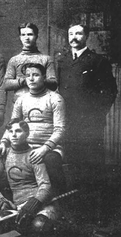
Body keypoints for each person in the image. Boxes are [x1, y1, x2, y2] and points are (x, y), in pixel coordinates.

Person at [56, 24, 117, 180]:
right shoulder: (62, 60)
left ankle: (93, 199)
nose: (74, 37)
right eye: (71, 34)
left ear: (86, 36)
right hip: (68, 119)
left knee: (91, 163)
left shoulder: (98, 60)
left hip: (90, 122)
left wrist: (97, 113)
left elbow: (110, 91)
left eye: (78, 33)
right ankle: (74, 198)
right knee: (71, 160)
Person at [0, 63, 66, 196]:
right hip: (24, 146)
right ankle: (4, 201)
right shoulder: (21, 100)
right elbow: (12, 125)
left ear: (44, 77)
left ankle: (56, 202)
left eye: (36, 75)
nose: (31, 79)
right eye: (28, 75)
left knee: (51, 160)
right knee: (2, 156)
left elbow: (60, 129)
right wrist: (3, 142)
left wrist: (44, 148)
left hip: (48, 147)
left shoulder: (55, 99)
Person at [0, 119, 58, 235]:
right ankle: (23, 223)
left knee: (40, 226)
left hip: (38, 204)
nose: (14, 135)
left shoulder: (34, 155)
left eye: (18, 131)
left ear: (27, 134)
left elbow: (45, 185)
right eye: (10, 131)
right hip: (18, 206)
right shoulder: (5, 154)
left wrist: (33, 204)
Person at [4, 23, 57, 119]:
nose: (26, 38)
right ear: (20, 37)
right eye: (23, 35)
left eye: (30, 34)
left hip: (41, 103)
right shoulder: (14, 60)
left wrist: (38, 81)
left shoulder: (46, 59)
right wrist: (25, 80)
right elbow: (6, 84)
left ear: (36, 36)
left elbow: (53, 83)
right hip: (19, 103)